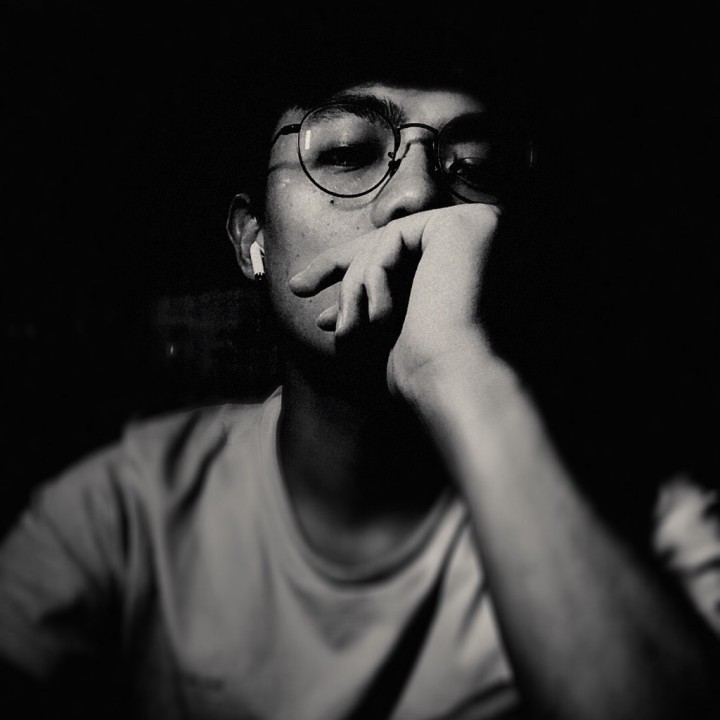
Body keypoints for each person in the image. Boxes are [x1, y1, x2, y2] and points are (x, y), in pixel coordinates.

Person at [1, 18, 719, 720]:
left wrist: (459, 372)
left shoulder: (645, 517)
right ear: (252, 240)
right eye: (346, 152)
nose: (417, 196)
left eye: (477, 167)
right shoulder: (124, 512)